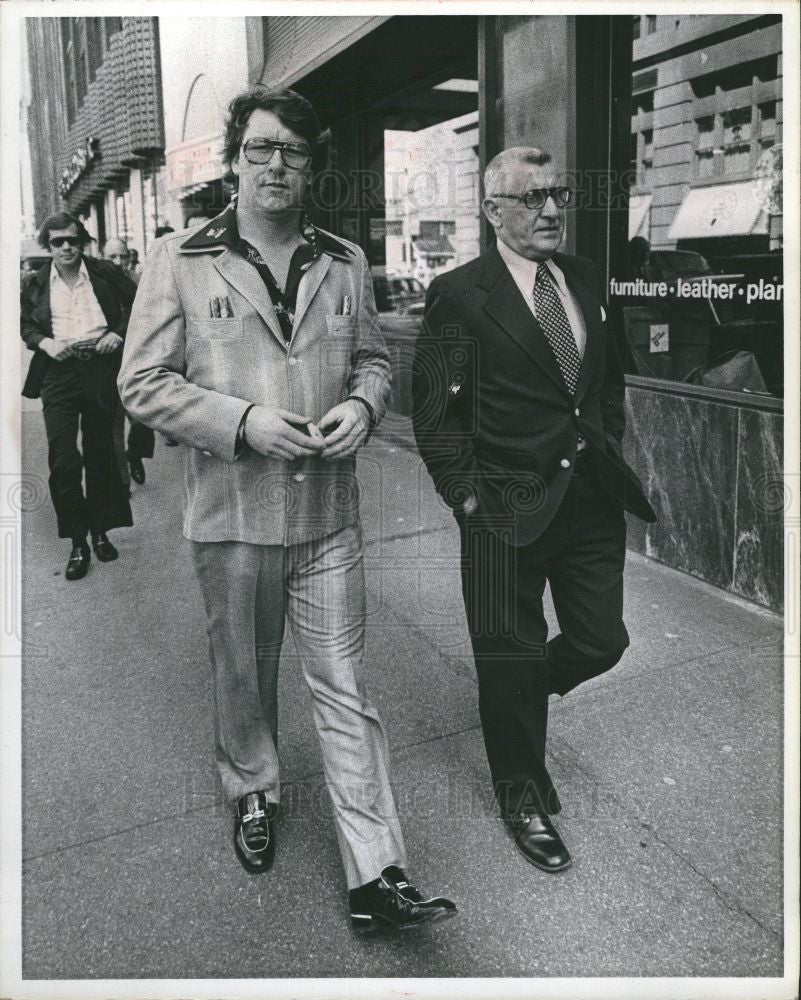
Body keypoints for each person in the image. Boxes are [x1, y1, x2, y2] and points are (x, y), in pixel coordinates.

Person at [118, 87, 456, 932]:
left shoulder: (343, 261)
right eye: (262, 149)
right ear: (236, 158)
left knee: (345, 689)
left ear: (312, 169)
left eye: (294, 154)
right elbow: (140, 384)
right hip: (230, 515)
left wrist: (366, 408)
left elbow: (374, 362)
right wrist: (243, 424)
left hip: (328, 518)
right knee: (244, 677)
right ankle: (252, 788)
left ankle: (377, 873)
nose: (277, 165)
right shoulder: (178, 259)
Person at [412, 147, 657, 873]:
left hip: (587, 502)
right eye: (532, 199)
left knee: (600, 641)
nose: (551, 211)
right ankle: (521, 796)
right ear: (493, 210)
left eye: (558, 195)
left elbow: (605, 381)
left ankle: (514, 697)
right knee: (508, 653)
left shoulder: (582, 278)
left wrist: (605, 441)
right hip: (499, 508)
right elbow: (431, 407)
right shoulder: (459, 293)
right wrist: (463, 494)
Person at [21, 213, 136, 580]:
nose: (66, 247)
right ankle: (77, 541)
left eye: (72, 240)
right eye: (57, 242)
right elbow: (24, 323)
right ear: (48, 246)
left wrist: (118, 332)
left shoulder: (104, 273)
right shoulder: (35, 283)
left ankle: (100, 531)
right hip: (59, 374)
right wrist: (45, 343)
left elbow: (142, 304)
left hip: (101, 368)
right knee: (63, 459)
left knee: (101, 453)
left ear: (82, 241)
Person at [103, 237, 154, 485]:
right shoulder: (97, 285)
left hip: (137, 361)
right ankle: (122, 484)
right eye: (112, 257)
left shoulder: (140, 282)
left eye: (122, 256)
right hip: (107, 363)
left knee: (143, 418)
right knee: (113, 426)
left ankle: (135, 455)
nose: (118, 262)